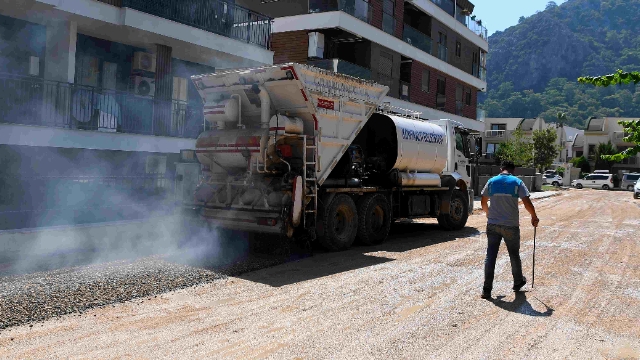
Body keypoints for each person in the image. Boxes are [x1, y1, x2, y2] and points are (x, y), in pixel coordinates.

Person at [480, 160, 539, 299]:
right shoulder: (517, 182)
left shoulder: (492, 181)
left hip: (493, 225)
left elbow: (483, 201)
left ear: (501, 168)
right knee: (514, 254)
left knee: (491, 256)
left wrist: (488, 213)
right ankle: (518, 282)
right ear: (513, 170)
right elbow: (527, 203)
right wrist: (534, 217)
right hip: (511, 226)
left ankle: (486, 289)